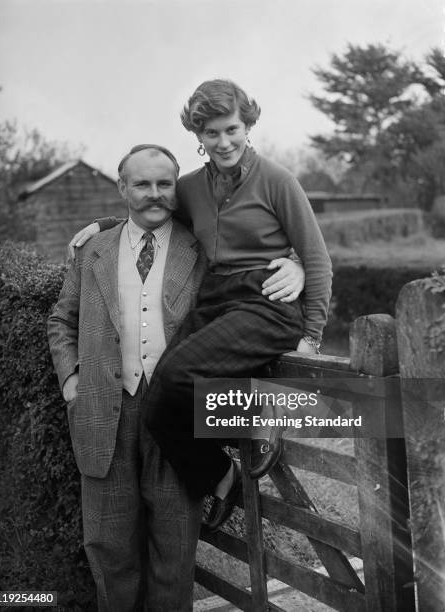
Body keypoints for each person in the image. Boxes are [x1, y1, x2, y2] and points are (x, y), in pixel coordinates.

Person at [48, 143, 304, 611]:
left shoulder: (202, 245)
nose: (154, 194)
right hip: (103, 414)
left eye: (165, 183)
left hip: (176, 415)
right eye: (141, 184)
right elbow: (62, 321)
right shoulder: (92, 250)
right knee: (109, 549)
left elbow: (251, 264)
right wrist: (71, 380)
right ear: (121, 187)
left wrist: (296, 263)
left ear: (177, 186)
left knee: (175, 548)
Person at [70, 78, 331, 531]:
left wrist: (311, 336)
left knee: (174, 375)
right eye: (211, 133)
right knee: (158, 408)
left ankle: (259, 412)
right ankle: (222, 477)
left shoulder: (277, 181)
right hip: (215, 300)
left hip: (265, 302)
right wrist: (105, 223)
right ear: (198, 136)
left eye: (231, 129)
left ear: (247, 125)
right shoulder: (191, 187)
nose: (223, 142)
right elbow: (153, 209)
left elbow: (317, 258)